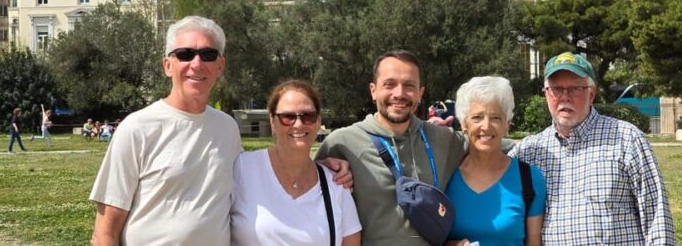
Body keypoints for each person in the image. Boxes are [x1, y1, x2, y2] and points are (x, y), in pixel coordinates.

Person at [89, 16, 351, 246]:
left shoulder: (227, 128)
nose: (196, 63)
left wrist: (319, 168)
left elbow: (260, 172)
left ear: (220, 66)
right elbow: (104, 233)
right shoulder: (137, 128)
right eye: (184, 54)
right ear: (167, 65)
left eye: (208, 55)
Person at [508, 52, 675, 245]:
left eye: (574, 88)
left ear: (591, 93)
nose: (564, 97)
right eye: (556, 89)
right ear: (546, 94)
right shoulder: (529, 151)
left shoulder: (626, 138)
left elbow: (657, 217)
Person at [316, 50, 468, 245]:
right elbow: (309, 199)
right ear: (373, 90)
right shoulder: (341, 143)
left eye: (409, 86)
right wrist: (321, 166)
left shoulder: (443, 139)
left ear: (420, 93)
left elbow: (488, 144)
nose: (399, 94)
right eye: (389, 85)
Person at [231, 80, 361, 245]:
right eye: (288, 117)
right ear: (272, 121)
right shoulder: (242, 168)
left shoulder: (336, 184)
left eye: (308, 116)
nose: (298, 124)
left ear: (318, 121)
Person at [445, 76, 546, 246]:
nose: (486, 126)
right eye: (477, 117)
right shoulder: (445, 175)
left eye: (496, 118)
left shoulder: (530, 179)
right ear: (463, 123)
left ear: (507, 124)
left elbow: (534, 243)